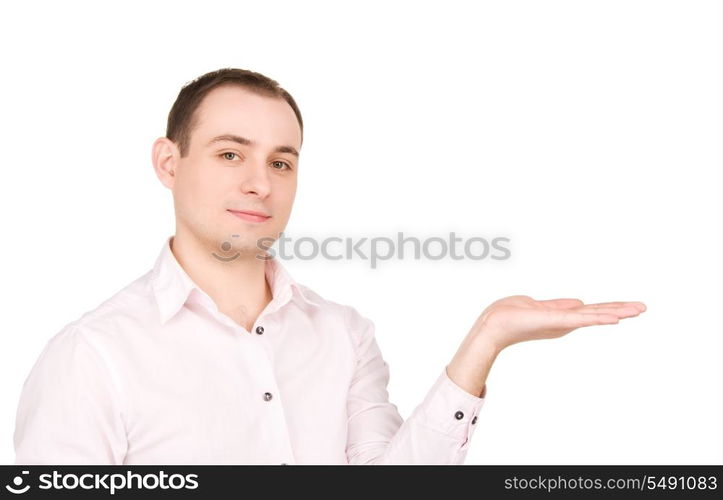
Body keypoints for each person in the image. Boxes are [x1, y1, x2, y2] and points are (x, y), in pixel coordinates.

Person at [13, 68, 647, 465]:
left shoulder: (343, 334)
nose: (259, 183)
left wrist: (484, 342)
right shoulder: (91, 356)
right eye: (230, 154)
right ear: (168, 163)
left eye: (281, 162)